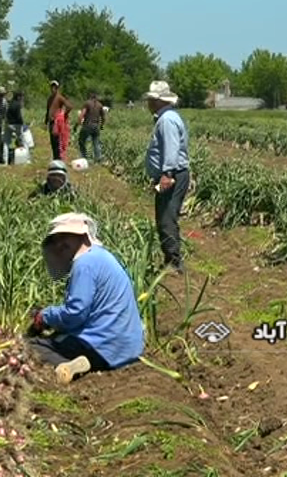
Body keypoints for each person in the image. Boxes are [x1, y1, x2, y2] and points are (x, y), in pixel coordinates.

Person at [27, 212, 145, 384]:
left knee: (33, 346)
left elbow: (76, 313)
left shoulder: (84, 264)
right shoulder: (102, 256)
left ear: (82, 235)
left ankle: (68, 366)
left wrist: (45, 316)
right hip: (128, 348)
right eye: (58, 238)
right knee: (60, 337)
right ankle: (79, 363)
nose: (60, 243)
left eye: (66, 236)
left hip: (103, 347)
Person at [144, 81, 190, 273]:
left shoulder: (167, 120)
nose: (148, 103)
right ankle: (171, 259)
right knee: (165, 216)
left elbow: (171, 149)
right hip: (172, 174)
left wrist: (166, 174)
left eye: (150, 100)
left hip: (172, 175)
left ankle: (174, 262)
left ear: (158, 101)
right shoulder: (167, 117)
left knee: (166, 218)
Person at [45, 80, 73, 161]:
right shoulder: (50, 98)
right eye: (52, 87)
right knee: (53, 142)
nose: (53, 89)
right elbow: (48, 110)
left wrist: (64, 115)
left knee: (58, 141)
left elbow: (69, 106)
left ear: (57, 88)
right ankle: (55, 158)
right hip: (51, 122)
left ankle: (59, 158)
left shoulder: (59, 97)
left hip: (57, 122)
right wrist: (46, 121)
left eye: (55, 87)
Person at [78, 90, 107, 162]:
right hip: (96, 126)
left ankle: (84, 157)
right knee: (96, 142)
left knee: (81, 141)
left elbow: (82, 115)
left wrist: (79, 123)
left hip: (87, 125)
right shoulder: (100, 105)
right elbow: (104, 118)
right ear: (96, 97)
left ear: (90, 96)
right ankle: (98, 158)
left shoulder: (87, 103)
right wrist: (102, 126)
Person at [4, 91, 26, 165]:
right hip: (17, 125)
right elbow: (19, 116)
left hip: (8, 124)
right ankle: (24, 159)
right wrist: (23, 124)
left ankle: (5, 161)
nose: (23, 98)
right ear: (18, 97)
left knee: (6, 143)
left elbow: (6, 114)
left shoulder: (10, 103)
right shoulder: (18, 104)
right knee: (22, 140)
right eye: (22, 97)